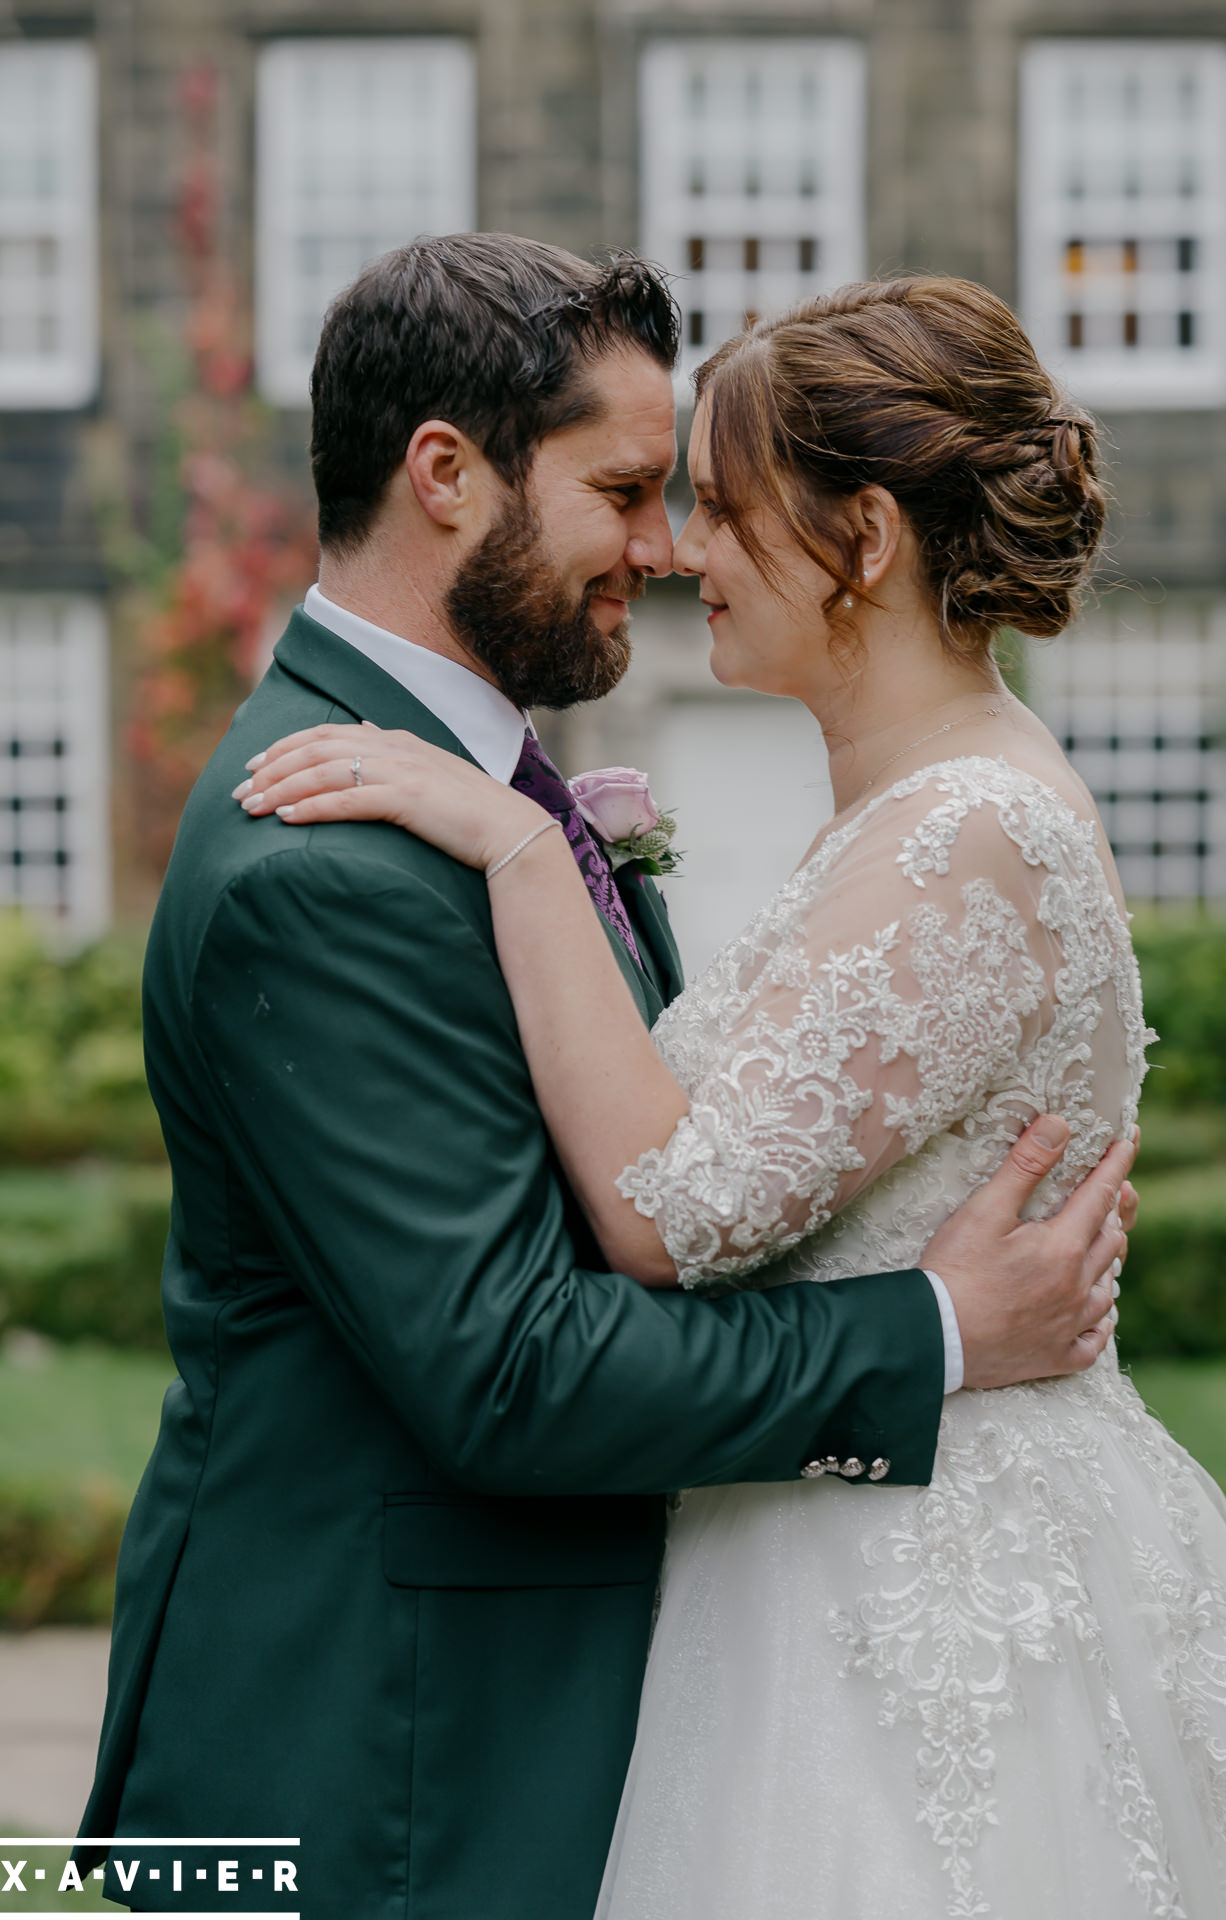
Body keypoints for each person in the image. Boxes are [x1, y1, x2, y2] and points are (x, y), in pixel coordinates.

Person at [82, 239, 1132, 1920]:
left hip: (547, 1717)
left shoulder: (482, 786)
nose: (664, 551)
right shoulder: (322, 866)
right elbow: (508, 1368)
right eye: (633, 491)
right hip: (365, 1767)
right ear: (447, 474)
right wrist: (936, 1333)